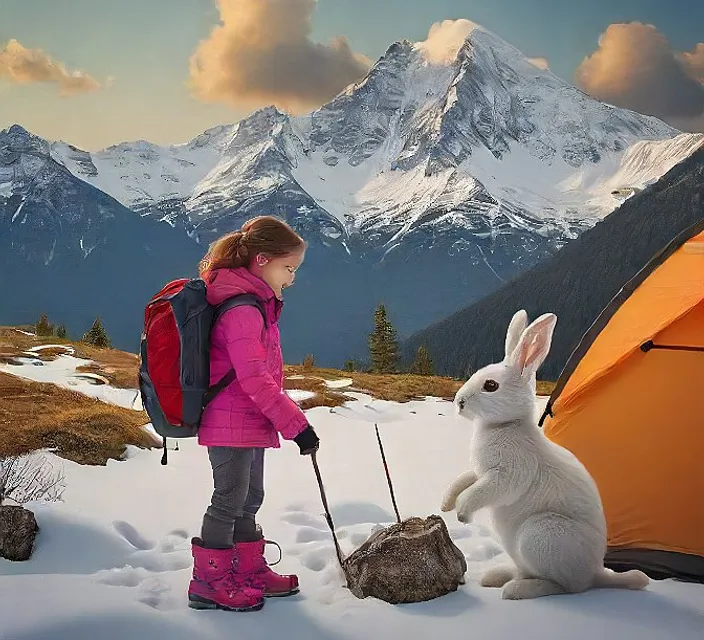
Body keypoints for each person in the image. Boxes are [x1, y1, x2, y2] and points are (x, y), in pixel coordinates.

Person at [187, 215, 320, 613]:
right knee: (229, 499)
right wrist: (298, 426)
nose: (292, 279)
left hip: (248, 419)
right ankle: (208, 581)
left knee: (250, 497)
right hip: (230, 419)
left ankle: (246, 571)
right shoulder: (242, 309)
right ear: (262, 260)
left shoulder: (256, 303)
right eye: (288, 268)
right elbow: (255, 379)